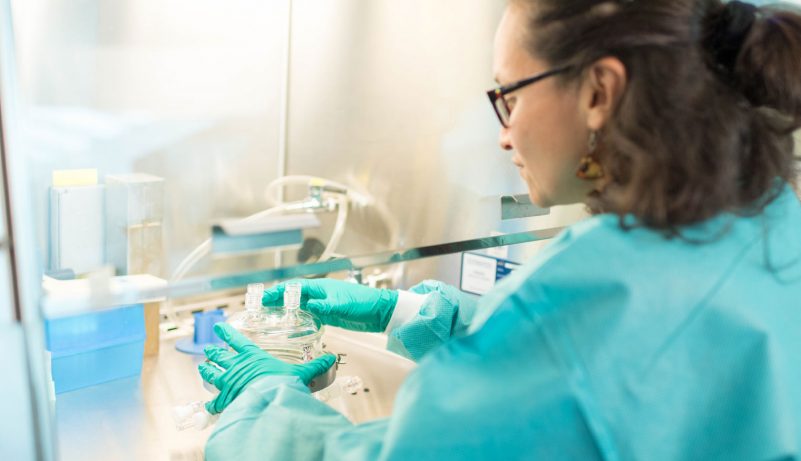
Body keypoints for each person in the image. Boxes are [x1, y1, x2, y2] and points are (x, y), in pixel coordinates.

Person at [198, 0, 801, 459]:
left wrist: (263, 411)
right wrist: (409, 314)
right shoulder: (765, 217)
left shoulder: (596, 287)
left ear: (599, 91)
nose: (503, 134)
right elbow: (586, 381)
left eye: (509, 95)